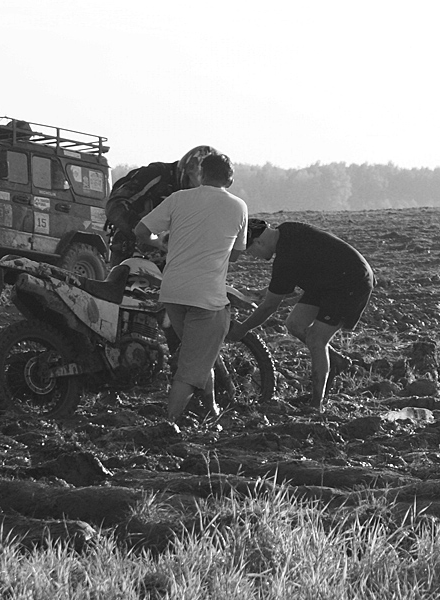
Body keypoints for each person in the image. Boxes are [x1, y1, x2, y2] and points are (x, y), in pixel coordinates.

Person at [134, 153, 248, 422]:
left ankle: (211, 411)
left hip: (172, 293)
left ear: (202, 174)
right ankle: (168, 423)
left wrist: (160, 243)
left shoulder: (178, 198)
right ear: (229, 178)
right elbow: (236, 254)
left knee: (198, 354)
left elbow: (141, 231)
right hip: (206, 297)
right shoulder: (238, 207)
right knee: (190, 368)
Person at [227, 221, 375, 412]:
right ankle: (335, 360)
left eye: (250, 253)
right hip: (327, 279)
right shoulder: (287, 229)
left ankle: (316, 405)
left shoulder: (285, 259)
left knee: (316, 338)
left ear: (258, 242)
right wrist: (265, 291)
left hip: (350, 281)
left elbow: (269, 307)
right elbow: (294, 273)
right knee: (295, 324)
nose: (253, 258)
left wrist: (242, 329)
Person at [105, 145, 218, 266]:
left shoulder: (205, 197)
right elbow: (115, 205)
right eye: (193, 184)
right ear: (188, 171)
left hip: (171, 259)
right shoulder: (156, 175)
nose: (195, 190)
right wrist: (143, 231)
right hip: (130, 251)